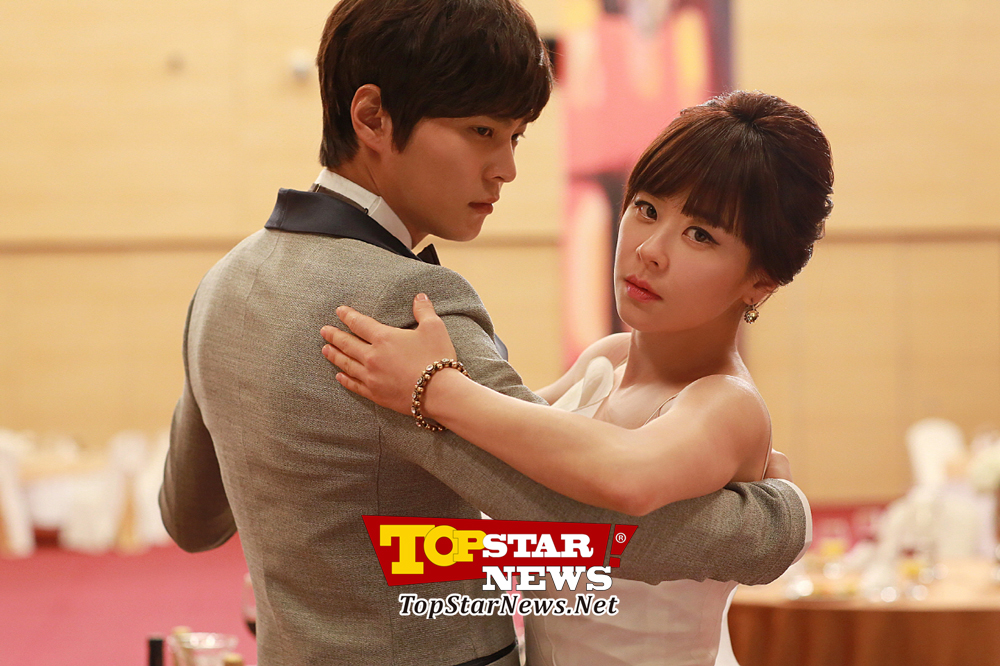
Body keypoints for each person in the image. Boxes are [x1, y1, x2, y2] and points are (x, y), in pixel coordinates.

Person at [158, 0, 811, 662]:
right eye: (481, 131)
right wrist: (777, 518)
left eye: (515, 136)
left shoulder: (223, 283)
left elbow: (190, 520)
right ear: (373, 117)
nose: (506, 167)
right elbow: (571, 519)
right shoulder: (412, 307)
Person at [320, 90, 833, 665]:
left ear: (760, 283)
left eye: (701, 235)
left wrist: (438, 387)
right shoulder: (606, 360)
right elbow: (499, 458)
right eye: (647, 208)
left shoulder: (726, 403)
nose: (650, 250)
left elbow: (628, 478)